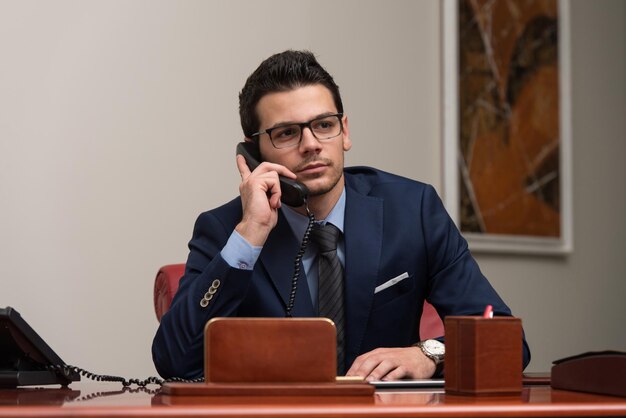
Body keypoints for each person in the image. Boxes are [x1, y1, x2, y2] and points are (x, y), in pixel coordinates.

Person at [152, 50, 530, 381]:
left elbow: (506, 339)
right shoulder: (225, 230)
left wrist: (427, 353)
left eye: (324, 125)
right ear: (253, 152)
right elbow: (174, 359)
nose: (311, 144)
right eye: (286, 133)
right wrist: (250, 235)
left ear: (344, 131)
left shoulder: (412, 210)